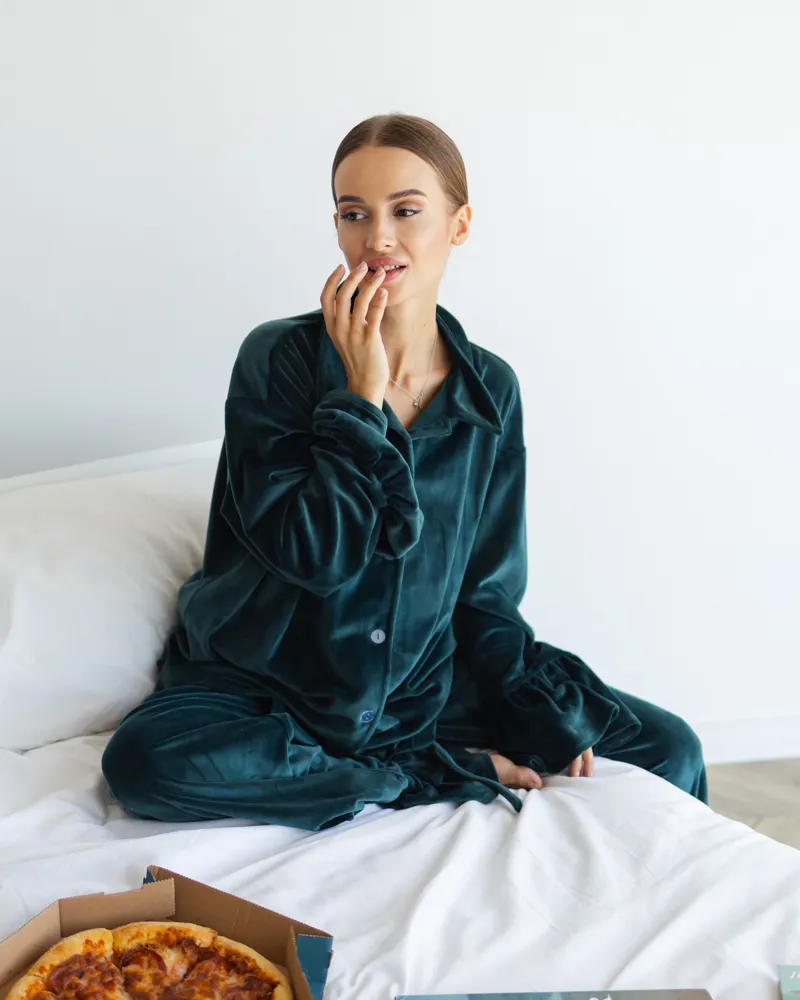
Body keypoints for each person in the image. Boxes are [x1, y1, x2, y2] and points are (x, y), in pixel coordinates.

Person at [101, 113, 708, 831]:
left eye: (406, 211)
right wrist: (361, 397)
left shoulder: (489, 390)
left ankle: (407, 760)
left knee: (671, 747)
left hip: (418, 693)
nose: (378, 238)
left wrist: (532, 703)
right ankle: (414, 777)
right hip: (269, 689)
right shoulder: (278, 359)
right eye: (354, 213)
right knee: (145, 762)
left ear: (459, 224)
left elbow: (484, 590)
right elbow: (316, 558)